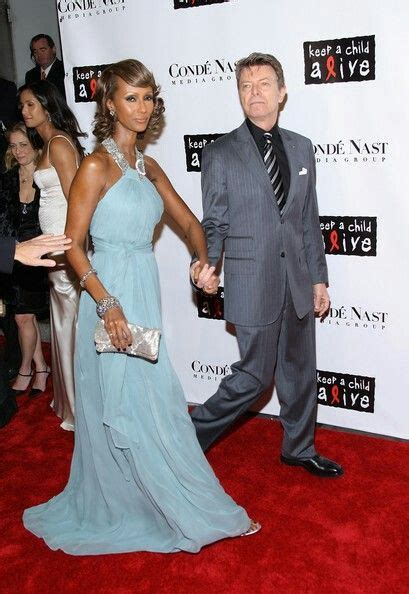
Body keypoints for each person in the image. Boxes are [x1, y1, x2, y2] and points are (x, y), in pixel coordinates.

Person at [22, 59, 259, 555]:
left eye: (148, 97)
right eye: (131, 97)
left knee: (154, 403)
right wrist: (107, 302)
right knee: (118, 405)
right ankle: (121, 502)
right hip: (106, 292)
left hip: (143, 291)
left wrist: (204, 262)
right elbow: (73, 245)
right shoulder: (95, 166)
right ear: (109, 104)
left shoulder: (148, 167)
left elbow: (193, 225)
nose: (142, 107)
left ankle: (159, 498)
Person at [190, 52, 343, 478]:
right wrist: (205, 263)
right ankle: (187, 439)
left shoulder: (302, 147)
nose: (254, 93)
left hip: (296, 280)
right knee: (254, 378)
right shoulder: (220, 152)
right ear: (238, 94)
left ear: (282, 91)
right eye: (245, 85)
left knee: (299, 373)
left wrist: (318, 278)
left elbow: (307, 220)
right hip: (252, 279)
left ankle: (299, 447)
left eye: (263, 84)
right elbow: (214, 221)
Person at [19, 80, 85, 430]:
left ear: (46, 104)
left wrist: (70, 250)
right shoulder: (45, 144)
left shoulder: (59, 143)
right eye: (22, 107)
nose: (25, 112)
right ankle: (71, 402)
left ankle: (81, 408)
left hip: (66, 250)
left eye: (31, 105)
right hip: (53, 249)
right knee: (63, 326)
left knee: (71, 328)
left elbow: (79, 200)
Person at [0, 233, 71, 428]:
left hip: (33, 256)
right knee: (21, 318)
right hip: (18, 255)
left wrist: (11, 250)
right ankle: (35, 368)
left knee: (25, 316)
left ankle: (38, 369)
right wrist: (10, 249)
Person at [1, 123, 50, 398]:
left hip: (39, 256)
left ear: (35, 146)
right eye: (13, 145)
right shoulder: (6, 179)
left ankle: (25, 369)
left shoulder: (47, 176)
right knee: (23, 318)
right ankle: (40, 367)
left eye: (23, 145)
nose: (18, 151)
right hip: (14, 255)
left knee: (23, 318)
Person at [25, 35, 66, 99]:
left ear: (53, 49)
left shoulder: (65, 70)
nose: (39, 55)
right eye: (35, 52)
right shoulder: (30, 75)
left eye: (43, 50)